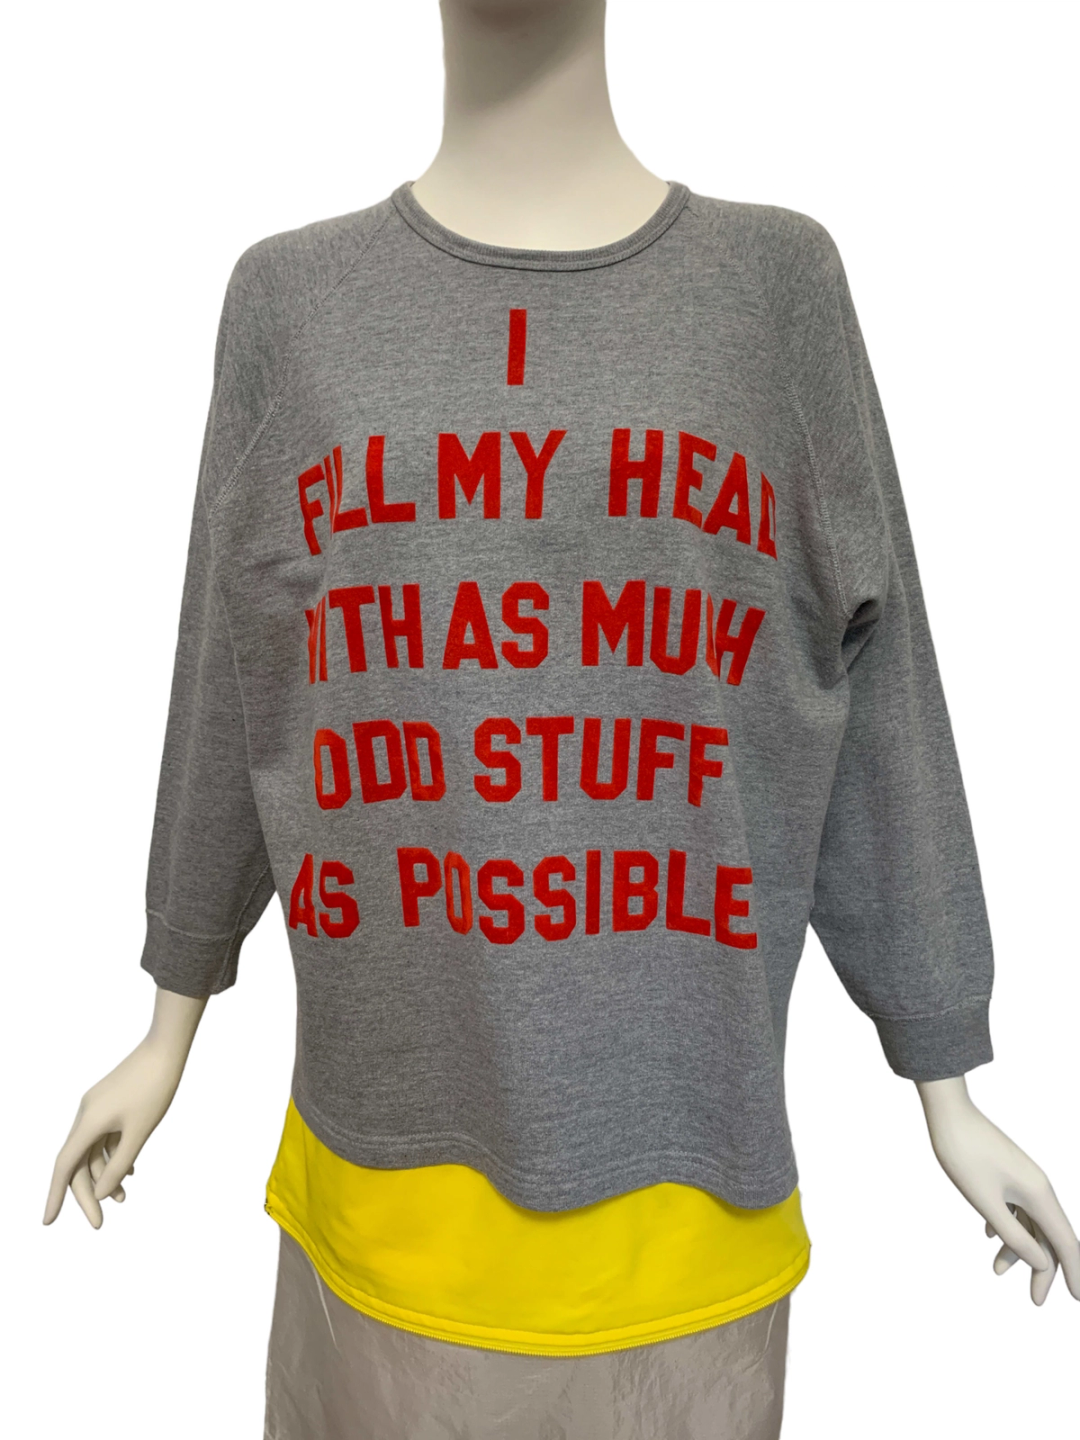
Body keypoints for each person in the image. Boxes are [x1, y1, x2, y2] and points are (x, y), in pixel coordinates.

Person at [43, 3, 1080, 1438]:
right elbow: (232, 669)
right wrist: (170, 1014)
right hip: (381, 1222)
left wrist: (944, 1069)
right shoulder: (291, 301)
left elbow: (879, 683)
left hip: (688, 1226)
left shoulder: (775, 289)